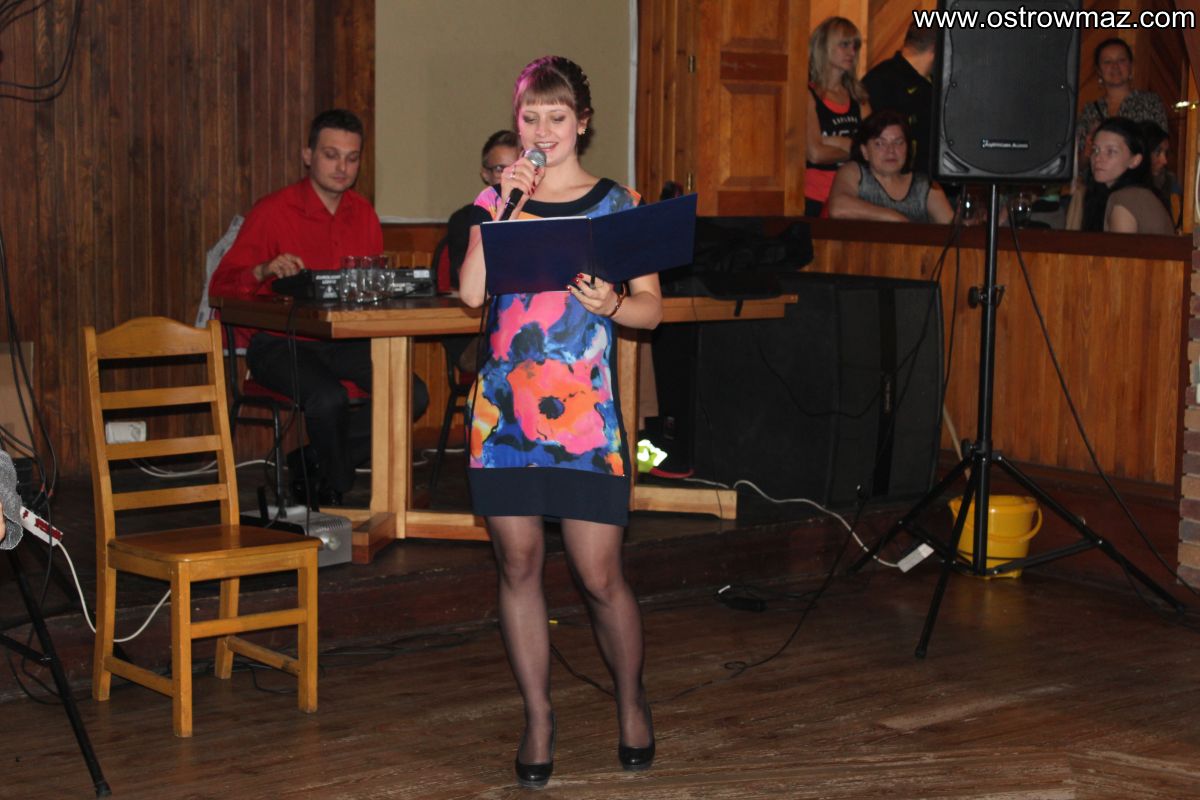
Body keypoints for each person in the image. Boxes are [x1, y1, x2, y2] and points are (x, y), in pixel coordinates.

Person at [458, 55, 661, 789]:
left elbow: (652, 310)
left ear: (583, 123)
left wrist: (614, 304)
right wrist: (502, 207)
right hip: (505, 415)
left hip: (585, 420)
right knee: (518, 566)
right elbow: (470, 294)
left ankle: (630, 700)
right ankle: (538, 716)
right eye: (530, 117)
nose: (542, 131)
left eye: (557, 117)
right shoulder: (497, 198)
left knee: (600, 575)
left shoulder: (619, 204)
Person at [209, 109, 429, 506]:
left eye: (352, 158)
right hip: (280, 342)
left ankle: (315, 461)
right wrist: (262, 269)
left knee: (411, 392)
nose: (342, 167)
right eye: (331, 155)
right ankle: (335, 483)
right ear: (308, 155)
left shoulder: (363, 213)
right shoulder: (273, 211)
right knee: (328, 398)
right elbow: (220, 287)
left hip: (345, 341)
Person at [826, 111, 955, 224]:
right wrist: (895, 218)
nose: (891, 150)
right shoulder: (854, 172)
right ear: (864, 151)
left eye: (898, 143)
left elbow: (952, 230)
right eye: (880, 144)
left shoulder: (925, 185)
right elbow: (838, 208)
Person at [1075, 38, 1168, 183]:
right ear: (1098, 70)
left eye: (1121, 60)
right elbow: (1079, 166)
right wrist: (1088, 151)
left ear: (1131, 66)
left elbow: (1160, 150)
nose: (1115, 66)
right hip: (1099, 188)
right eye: (1107, 62)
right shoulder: (1089, 111)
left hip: (1140, 185)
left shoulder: (1150, 103)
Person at [805, 17, 871, 216]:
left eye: (855, 46)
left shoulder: (858, 98)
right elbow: (815, 154)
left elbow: (874, 152)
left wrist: (833, 142)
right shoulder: (807, 94)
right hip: (814, 198)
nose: (852, 52)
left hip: (852, 196)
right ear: (823, 46)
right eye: (844, 45)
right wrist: (854, 148)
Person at [861, 22, 937, 176]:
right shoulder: (881, 82)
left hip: (930, 183)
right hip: (893, 183)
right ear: (937, 49)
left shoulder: (937, 84)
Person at [446, 130, 522, 279]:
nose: (509, 176)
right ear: (485, 174)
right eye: (500, 169)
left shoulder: (538, 211)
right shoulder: (464, 219)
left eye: (516, 168)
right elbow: (466, 277)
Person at [1080, 117, 1174, 234]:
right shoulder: (1136, 192)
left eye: (1111, 151)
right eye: (1095, 150)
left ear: (1135, 160)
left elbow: (1121, 246)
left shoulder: (1124, 199)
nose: (1098, 158)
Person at [1140, 121, 1182, 229]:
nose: (1164, 161)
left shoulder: (1169, 180)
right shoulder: (1127, 186)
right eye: (1158, 153)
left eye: (1166, 153)